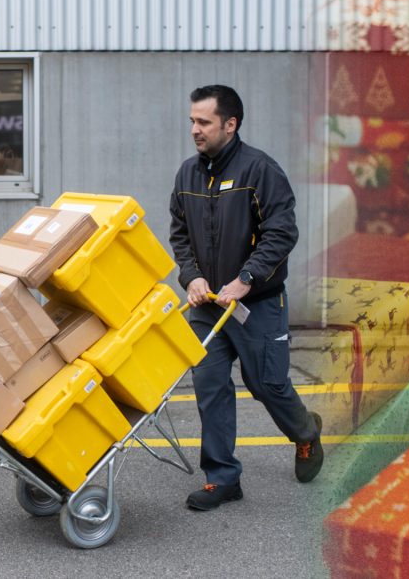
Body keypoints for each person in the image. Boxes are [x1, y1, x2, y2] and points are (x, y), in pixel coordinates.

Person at [169, 84, 323, 511]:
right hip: (208, 307)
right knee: (210, 385)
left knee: (267, 384)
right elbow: (180, 234)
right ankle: (222, 479)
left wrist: (247, 279)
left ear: (230, 124)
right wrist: (192, 277)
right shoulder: (187, 174)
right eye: (192, 121)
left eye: (203, 122)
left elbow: (281, 233)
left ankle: (306, 432)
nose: (195, 130)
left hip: (256, 303)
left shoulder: (261, 171)